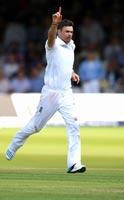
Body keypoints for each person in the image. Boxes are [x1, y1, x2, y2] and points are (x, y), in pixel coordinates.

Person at [5, 7, 86, 174]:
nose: (70, 34)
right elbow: (50, 38)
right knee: (36, 126)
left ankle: (74, 164)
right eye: (67, 31)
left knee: (74, 126)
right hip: (50, 93)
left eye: (71, 31)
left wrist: (71, 72)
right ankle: (15, 144)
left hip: (66, 93)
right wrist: (54, 25)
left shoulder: (71, 45)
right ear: (60, 32)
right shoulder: (53, 44)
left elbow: (64, 64)